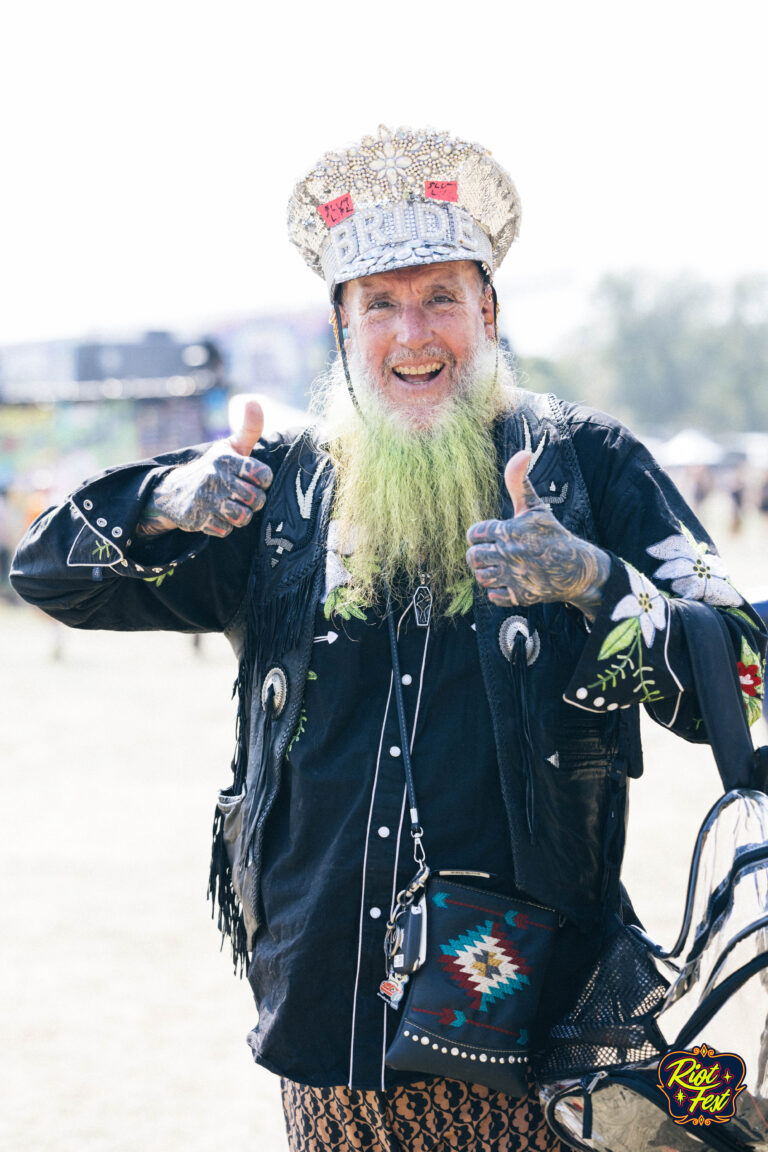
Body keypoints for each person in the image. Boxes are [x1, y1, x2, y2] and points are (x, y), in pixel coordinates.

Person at [11, 125, 767, 1152]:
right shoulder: (270, 491)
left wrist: (595, 583)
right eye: (381, 305)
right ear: (341, 329)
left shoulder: (592, 468)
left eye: (441, 297)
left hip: (543, 1025)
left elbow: (752, 678)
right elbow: (44, 572)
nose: (413, 333)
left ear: (489, 311)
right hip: (330, 1025)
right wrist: (161, 500)